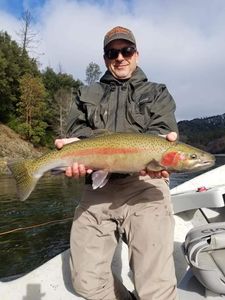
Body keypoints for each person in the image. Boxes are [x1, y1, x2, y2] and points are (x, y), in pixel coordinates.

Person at [55, 26, 179, 300]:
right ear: (105, 57)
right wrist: (80, 158)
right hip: (98, 188)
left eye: (127, 50)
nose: (120, 57)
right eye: (113, 52)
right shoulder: (84, 92)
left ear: (137, 54)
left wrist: (161, 151)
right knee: (86, 283)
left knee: (155, 291)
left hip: (146, 185)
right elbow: (78, 133)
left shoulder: (157, 92)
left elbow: (162, 131)